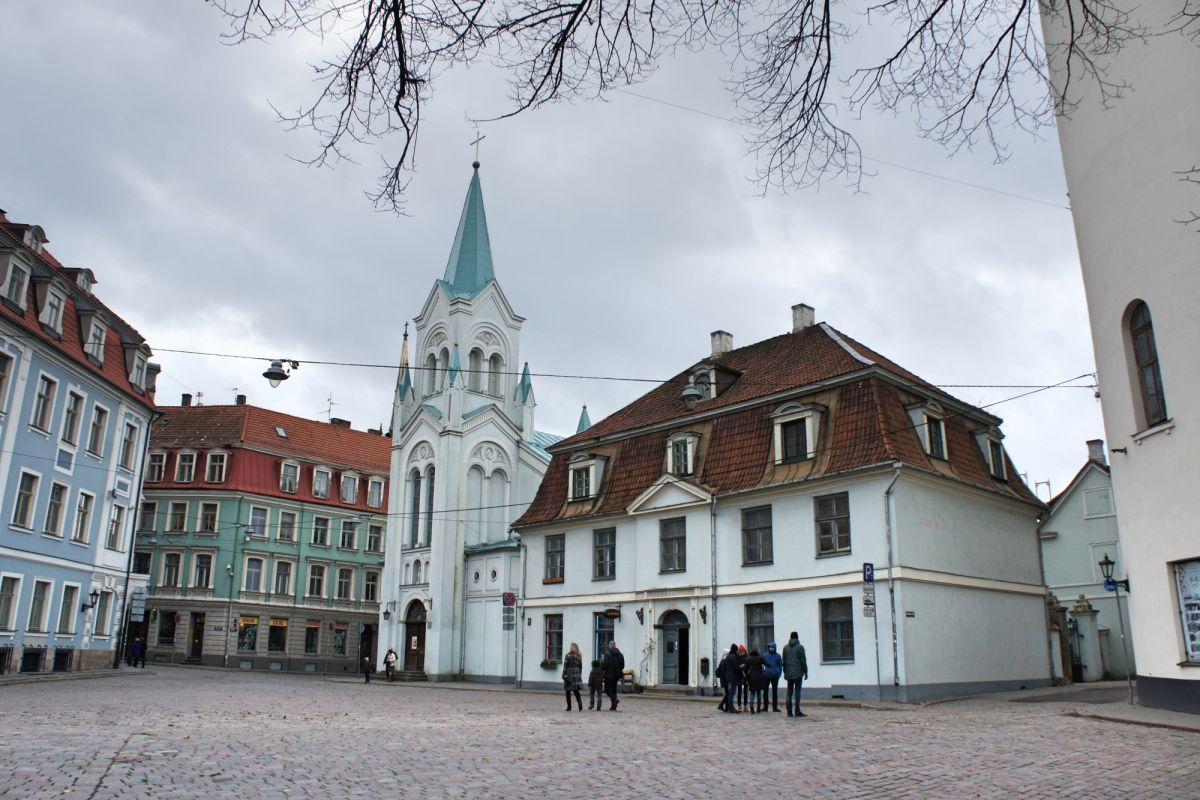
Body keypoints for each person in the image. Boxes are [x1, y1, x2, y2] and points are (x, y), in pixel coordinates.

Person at [782, 631, 809, 717]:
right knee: (797, 692)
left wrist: (785, 672)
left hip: (789, 673)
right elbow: (803, 661)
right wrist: (806, 672)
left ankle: (789, 711)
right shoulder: (800, 647)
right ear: (797, 637)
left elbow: (784, 662)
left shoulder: (785, 648)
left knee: (789, 692)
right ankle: (797, 710)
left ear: (790, 637)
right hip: (798, 673)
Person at [602, 641, 625, 711]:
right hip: (617, 675)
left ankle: (614, 700)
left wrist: (602, 668)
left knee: (607, 690)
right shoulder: (620, 654)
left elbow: (605, 665)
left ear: (610, 646)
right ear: (615, 645)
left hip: (609, 675)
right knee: (614, 690)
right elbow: (622, 666)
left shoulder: (607, 654)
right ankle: (613, 706)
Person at [720, 642, 741, 713]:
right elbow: (736, 667)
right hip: (733, 677)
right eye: (737, 650)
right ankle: (731, 707)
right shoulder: (733, 657)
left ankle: (729, 707)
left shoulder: (728, 657)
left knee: (730, 692)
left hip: (728, 677)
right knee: (731, 693)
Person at [762, 642, 783, 712]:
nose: (771, 648)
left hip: (775, 676)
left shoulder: (778, 656)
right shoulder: (765, 655)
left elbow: (780, 666)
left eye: (772, 647)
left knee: (775, 692)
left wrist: (779, 674)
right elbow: (761, 664)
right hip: (766, 675)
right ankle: (765, 707)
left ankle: (775, 707)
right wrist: (763, 672)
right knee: (765, 692)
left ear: (775, 648)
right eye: (770, 647)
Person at [562, 642, 584, 711]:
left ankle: (569, 707)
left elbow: (565, 666)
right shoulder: (579, 656)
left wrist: (563, 675)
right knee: (576, 691)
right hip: (576, 673)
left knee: (568, 691)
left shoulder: (568, 656)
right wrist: (579, 675)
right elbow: (580, 667)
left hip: (569, 673)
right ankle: (580, 705)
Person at [746, 648, 765, 714]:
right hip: (759, 677)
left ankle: (751, 705)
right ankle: (758, 708)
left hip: (752, 677)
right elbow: (767, 664)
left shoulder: (749, 658)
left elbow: (745, 667)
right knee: (758, 692)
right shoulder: (760, 658)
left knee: (752, 692)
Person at [736, 644, 749, 712]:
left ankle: (745, 706)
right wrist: (740, 667)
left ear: (744, 651)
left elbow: (749, 666)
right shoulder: (737, 658)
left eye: (742, 651)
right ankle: (739, 706)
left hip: (745, 676)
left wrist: (744, 667)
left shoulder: (747, 658)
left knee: (745, 691)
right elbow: (736, 666)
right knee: (739, 691)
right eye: (740, 652)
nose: (741, 653)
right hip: (739, 676)